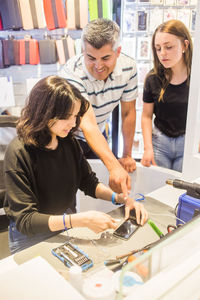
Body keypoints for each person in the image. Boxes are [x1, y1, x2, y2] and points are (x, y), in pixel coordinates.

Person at [3, 76, 148, 254]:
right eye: (66, 117)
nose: (73, 124)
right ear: (45, 113)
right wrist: (79, 220)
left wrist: (121, 199)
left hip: (65, 224)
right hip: (30, 236)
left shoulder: (68, 142)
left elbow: (89, 183)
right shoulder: (18, 153)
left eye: (75, 116)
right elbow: (26, 221)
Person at [61, 18, 138, 197]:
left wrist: (126, 155)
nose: (98, 66)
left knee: (96, 186)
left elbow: (128, 113)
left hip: (98, 132)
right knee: (69, 190)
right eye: (91, 58)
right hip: (68, 137)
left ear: (117, 52)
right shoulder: (72, 73)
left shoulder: (129, 68)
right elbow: (87, 124)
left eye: (105, 58)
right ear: (83, 51)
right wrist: (114, 167)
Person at [141, 19, 193, 172]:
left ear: (185, 45)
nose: (162, 54)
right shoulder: (153, 78)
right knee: (158, 189)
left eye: (169, 47)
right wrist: (147, 148)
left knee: (182, 191)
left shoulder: (196, 78)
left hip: (187, 143)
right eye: (158, 48)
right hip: (159, 142)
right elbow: (146, 116)